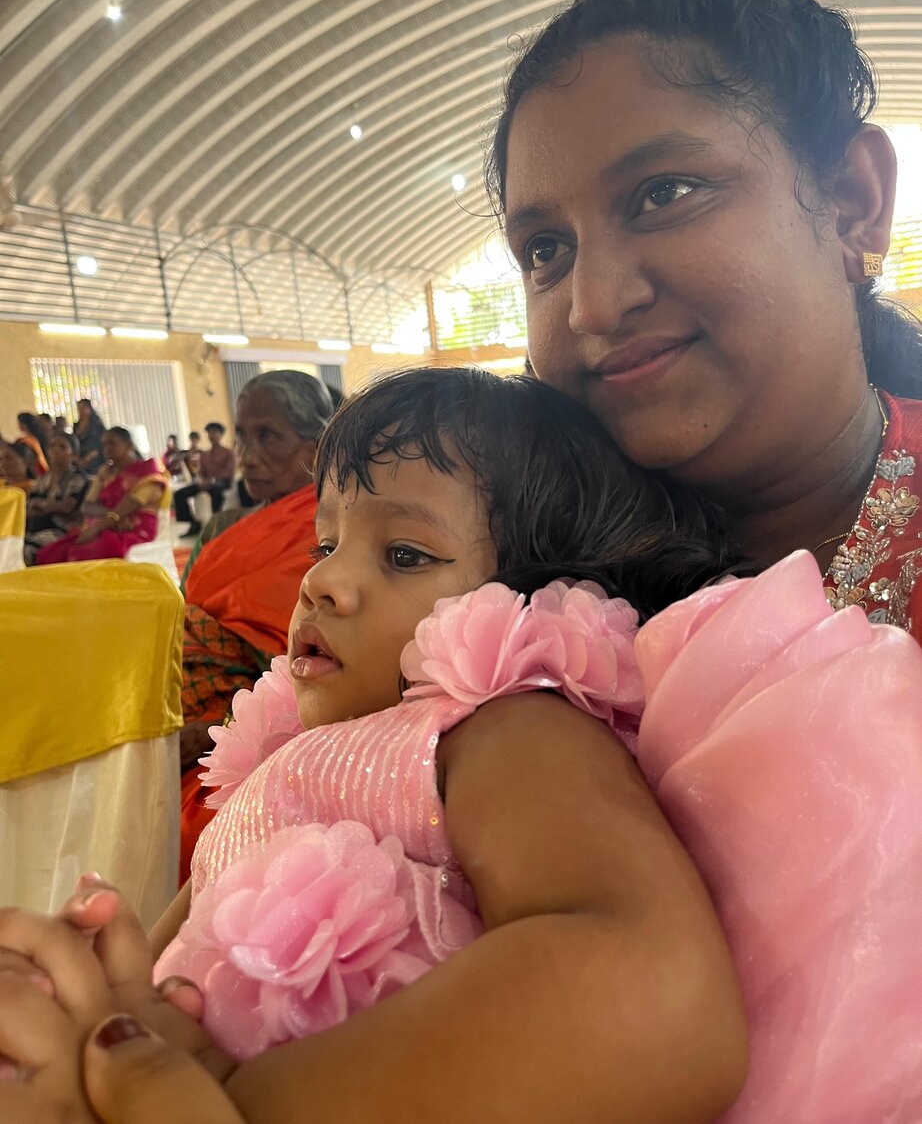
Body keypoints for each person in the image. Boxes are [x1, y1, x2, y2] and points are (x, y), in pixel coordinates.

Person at [4, 368, 922, 1124]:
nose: (322, 582)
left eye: (404, 554)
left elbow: (657, 996)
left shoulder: (498, 722)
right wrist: (104, 996)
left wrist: (236, 1100)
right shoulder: (291, 755)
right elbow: (167, 960)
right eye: (325, 543)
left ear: (529, 597)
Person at [487, 0, 922, 641]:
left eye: (664, 194)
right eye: (545, 249)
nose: (593, 306)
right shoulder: (491, 580)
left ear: (851, 203)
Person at [178, 371, 334, 880]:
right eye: (243, 435)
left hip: (264, 720)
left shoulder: (332, 529)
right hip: (181, 699)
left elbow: (315, 664)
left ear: (314, 446)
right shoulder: (222, 528)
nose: (247, 454)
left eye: (268, 435)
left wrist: (216, 730)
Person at [33, 426, 167, 564]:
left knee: (86, 550)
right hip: (109, 525)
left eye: (112, 443)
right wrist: (112, 517)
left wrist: (100, 525)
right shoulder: (105, 472)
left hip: (134, 529)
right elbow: (87, 507)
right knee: (53, 552)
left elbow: (127, 507)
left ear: (129, 445)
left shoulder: (147, 473)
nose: (107, 448)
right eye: (104, 444)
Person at [23, 432, 89, 564]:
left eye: (62, 447)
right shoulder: (44, 478)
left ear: (74, 454)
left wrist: (41, 505)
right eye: (52, 446)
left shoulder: (78, 478)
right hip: (35, 529)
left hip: (61, 531)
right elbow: (29, 507)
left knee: (26, 552)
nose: (56, 450)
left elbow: (67, 507)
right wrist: (50, 507)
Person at [173, 423, 236, 539]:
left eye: (215, 433)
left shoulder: (228, 453)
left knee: (216, 491)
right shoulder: (205, 455)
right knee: (179, 494)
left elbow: (229, 472)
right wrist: (202, 480)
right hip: (207, 483)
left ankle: (217, 524)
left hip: (222, 483)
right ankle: (193, 523)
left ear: (221, 435)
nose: (212, 435)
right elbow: (201, 473)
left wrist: (212, 480)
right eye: (210, 433)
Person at [73, 399, 107, 475]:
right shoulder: (76, 426)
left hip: (95, 457)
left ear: (89, 408)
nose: (81, 411)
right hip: (80, 458)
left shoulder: (97, 424)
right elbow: (74, 442)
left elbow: (102, 443)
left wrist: (90, 456)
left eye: (83, 408)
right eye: (79, 408)